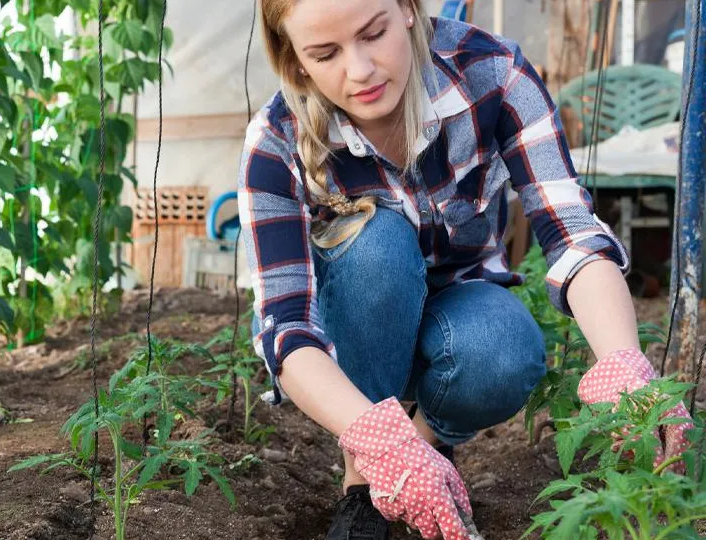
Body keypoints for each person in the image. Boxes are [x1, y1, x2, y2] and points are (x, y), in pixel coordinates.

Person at [236, 0, 695, 538]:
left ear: (408, 10)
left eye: (374, 33)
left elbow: (571, 231)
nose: (360, 70)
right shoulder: (276, 141)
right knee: (377, 241)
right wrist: (379, 440)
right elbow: (286, 328)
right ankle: (363, 484)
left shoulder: (491, 74)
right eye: (326, 53)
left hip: (455, 310)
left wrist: (622, 360)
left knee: (504, 347)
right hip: (349, 335)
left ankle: (428, 446)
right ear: (295, 62)